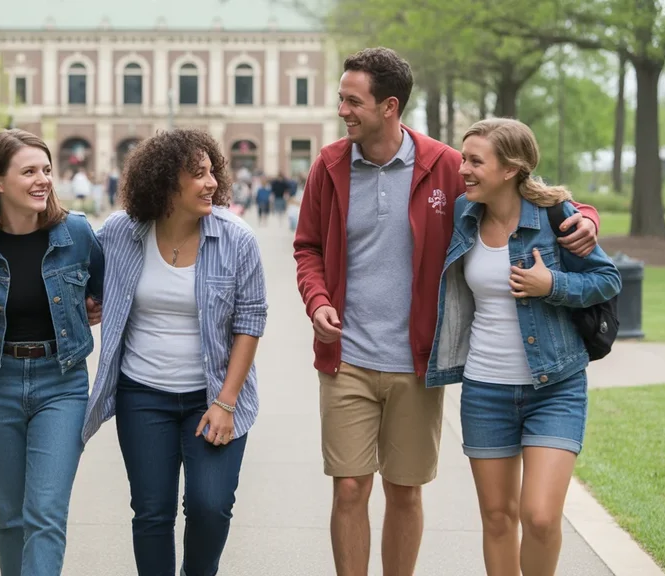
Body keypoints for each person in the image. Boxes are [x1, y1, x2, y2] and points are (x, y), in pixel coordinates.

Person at [292, 47, 602, 576]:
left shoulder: (445, 166)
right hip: (347, 357)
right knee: (349, 488)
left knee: (404, 491)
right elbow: (308, 247)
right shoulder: (330, 165)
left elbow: (520, 192)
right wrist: (317, 300)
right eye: (341, 98)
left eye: (353, 101)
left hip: (417, 362)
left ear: (389, 106)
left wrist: (586, 216)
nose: (342, 110)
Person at [428, 118, 621, 576]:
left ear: (511, 168)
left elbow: (607, 279)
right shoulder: (464, 213)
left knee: (540, 517)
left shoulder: (555, 216)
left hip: (555, 386)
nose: (463, 169)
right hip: (485, 390)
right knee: (498, 519)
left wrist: (551, 284)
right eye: (463, 158)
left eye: (476, 161)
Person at [82, 129, 268, 576]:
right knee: (151, 512)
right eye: (198, 174)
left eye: (212, 172)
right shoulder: (121, 233)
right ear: (165, 182)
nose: (211, 183)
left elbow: (250, 321)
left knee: (210, 506)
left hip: (214, 396)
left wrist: (226, 402)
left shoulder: (236, 238)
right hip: (142, 395)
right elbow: (86, 281)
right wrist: (88, 303)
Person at [0, 129, 103, 575]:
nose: (43, 180)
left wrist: (92, 306)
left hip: (62, 383)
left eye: (47, 170)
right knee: (8, 517)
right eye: (29, 171)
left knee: (45, 514)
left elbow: (107, 287)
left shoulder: (75, 233)